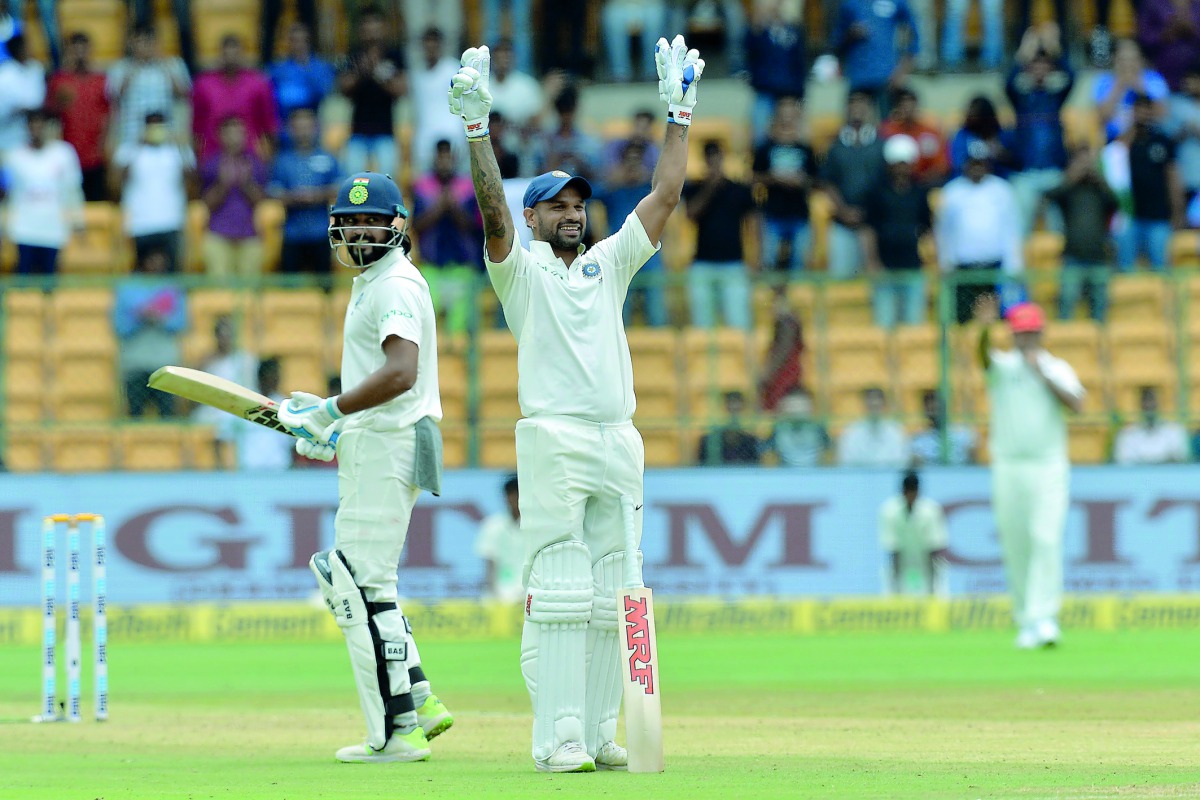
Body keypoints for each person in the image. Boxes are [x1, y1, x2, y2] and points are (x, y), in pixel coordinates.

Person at [450, 36, 703, 772]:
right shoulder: (520, 274)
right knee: (561, 590)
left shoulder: (607, 266)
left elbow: (664, 196)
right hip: (554, 438)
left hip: (618, 437)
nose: (570, 212)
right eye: (554, 205)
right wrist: (477, 131)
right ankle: (556, 736)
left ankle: (597, 732)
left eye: (577, 203)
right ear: (534, 220)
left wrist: (679, 114)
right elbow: (493, 214)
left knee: (612, 593)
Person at [277, 171, 453, 763]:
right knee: (374, 582)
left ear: (397, 226)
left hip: (390, 439)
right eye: (348, 221)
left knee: (352, 579)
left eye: (369, 220)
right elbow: (376, 379)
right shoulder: (374, 279)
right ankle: (420, 700)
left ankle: (394, 732)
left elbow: (401, 372)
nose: (356, 230)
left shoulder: (393, 284)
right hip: (378, 435)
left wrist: (331, 411)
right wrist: (334, 420)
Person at [975, 295, 1083, 649]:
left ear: (1042, 333)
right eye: (1020, 334)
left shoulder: (1056, 366)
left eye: (1032, 333)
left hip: (1048, 464)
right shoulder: (1003, 367)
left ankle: (1045, 617)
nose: (1026, 340)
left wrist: (1043, 374)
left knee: (1046, 538)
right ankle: (1025, 619)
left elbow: (1077, 404)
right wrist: (983, 328)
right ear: (1012, 335)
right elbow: (981, 358)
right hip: (1008, 464)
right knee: (1016, 543)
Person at [936, 139, 1023, 324]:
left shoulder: (1001, 190)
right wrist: (946, 262)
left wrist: (1014, 264)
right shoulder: (952, 192)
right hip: (963, 269)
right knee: (961, 321)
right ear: (965, 164)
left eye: (981, 163)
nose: (977, 168)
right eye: (973, 163)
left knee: (997, 321)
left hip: (994, 268)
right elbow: (944, 232)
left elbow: (1012, 229)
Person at [683, 139, 759, 330]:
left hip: (734, 262)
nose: (714, 162)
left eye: (717, 157)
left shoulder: (739, 189)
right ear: (705, 160)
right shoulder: (694, 187)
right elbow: (691, 214)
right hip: (702, 262)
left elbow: (753, 224)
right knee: (702, 324)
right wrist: (711, 187)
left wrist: (756, 257)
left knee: (738, 322)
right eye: (710, 158)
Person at [1, 109, 84, 275]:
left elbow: (73, 191)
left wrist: (78, 222)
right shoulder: (14, 157)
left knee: (49, 282)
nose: (37, 130)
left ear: (48, 127)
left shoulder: (64, 154)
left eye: (41, 125)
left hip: (53, 229)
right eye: (33, 125)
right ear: (27, 128)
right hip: (23, 229)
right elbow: (5, 196)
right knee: (23, 282)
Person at [411, 139, 483, 331]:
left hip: (462, 265)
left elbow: (475, 227)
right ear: (434, 158)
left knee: (458, 327)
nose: (444, 161)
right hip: (431, 264)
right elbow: (416, 226)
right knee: (426, 321)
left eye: (448, 157)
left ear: (455, 158)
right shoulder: (422, 187)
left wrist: (453, 207)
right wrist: (439, 207)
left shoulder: (467, 187)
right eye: (440, 157)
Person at [112, 110, 197, 272]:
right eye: (151, 126)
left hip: (171, 222)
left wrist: (181, 147)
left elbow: (193, 186)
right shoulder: (129, 150)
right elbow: (114, 186)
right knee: (142, 278)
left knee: (172, 276)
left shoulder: (179, 151)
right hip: (139, 224)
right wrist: (136, 148)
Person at [863, 133, 931, 329]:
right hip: (885, 268)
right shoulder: (878, 193)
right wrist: (873, 262)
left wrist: (930, 257)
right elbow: (869, 229)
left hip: (913, 266)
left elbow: (927, 228)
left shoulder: (919, 192)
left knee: (914, 324)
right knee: (884, 325)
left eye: (905, 163)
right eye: (897, 163)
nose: (901, 168)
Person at [1045, 144, 1119, 321]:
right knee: (1067, 301)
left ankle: (1100, 344)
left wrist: (1099, 179)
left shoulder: (1099, 189)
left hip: (1099, 255)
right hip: (1073, 256)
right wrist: (1072, 177)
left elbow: (1115, 203)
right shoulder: (1069, 190)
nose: (1086, 166)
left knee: (1100, 305)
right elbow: (1050, 196)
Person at [114, 249, 187, 417]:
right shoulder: (127, 288)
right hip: (135, 364)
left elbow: (181, 323)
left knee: (167, 416)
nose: (156, 265)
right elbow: (119, 327)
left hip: (165, 364)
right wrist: (140, 317)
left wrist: (160, 319)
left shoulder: (172, 288)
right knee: (135, 416)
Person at [1117, 93, 1185, 271]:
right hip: (1128, 216)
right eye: (1138, 109)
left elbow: (1173, 177)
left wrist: (1177, 210)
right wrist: (1131, 130)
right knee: (1126, 267)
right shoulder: (1124, 141)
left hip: (1158, 215)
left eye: (1147, 109)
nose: (1142, 113)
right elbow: (1112, 159)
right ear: (1131, 112)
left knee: (1160, 266)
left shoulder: (1163, 141)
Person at [337, 8, 407, 177]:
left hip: (386, 132)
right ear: (361, 30)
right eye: (367, 26)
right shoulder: (354, 55)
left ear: (384, 28)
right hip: (357, 132)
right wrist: (362, 71)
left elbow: (401, 90)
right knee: (352, 178)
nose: (371, 31)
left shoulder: (394, 55)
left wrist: (377, 71)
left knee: (388, 178)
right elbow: (343, 88)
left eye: (375, 26)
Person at [269, 107, 340, 274]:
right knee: (290, 289)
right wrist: (294, 197)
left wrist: (316, 195)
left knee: (325, 288)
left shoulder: (328, 158)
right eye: (298, 127)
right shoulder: (282, 160)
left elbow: (339, 187)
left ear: (316, 128)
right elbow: (273, 191)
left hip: (321, 233)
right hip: (292, 234)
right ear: (290, 130)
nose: (303, 132)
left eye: (307, 127)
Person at [192, 33, 280, 162]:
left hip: (250, 157)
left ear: (242, 54)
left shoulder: (259, 83)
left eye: (235, 52)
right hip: (212, 157)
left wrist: (270, 158)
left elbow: (269, 125)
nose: (231, 57)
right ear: (220, 54)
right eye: (227, 53)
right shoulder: (203, 84)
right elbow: (196, 129)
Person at [200, 116, 268, 278]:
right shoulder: (211, 164)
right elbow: (206, 204)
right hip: (217, 234)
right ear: (220, 136)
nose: (235, 138)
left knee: (250, 292)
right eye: (230, 133)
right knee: (219, 291)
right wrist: (223, 184)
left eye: (239, 133)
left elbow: (261, 201)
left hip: (249, 234)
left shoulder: (255, 163)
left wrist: (246, 183)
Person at [47, 32, 110, 201]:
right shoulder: (59, 81)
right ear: (69, 51)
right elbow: (50, 117)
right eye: (76, 49)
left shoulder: (102, 80)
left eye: (84, 48)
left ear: (90, 50)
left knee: (96, 204)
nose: (80, 53)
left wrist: (104, 144)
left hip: (96, 155)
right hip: (68, 155)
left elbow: (109, 116)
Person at [105, 25, 191, 149]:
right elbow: (115, 96)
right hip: (131, 134)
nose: (146, 46)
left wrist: (164, 63)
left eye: (149, 41)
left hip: (167, 132)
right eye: (141, 41)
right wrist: (135, 66)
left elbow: (183, 94)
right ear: (132, 43)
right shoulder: (120, 67)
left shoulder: (174, 64)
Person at [879, 471, 949, 596]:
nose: (911, 497)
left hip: (926, 565)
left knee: (938, 597)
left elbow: (934, 549)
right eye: (908, 493)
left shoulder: (931, 511)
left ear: (918, 492)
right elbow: (893, 550)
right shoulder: (890, 511)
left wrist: (931, 588)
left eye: (914, 493)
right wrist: (896, 586)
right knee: (894, 595)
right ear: (903, 492)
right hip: (903, 565)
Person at [474, 474, 524, 602]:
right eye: (510, 494)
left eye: (517, 494)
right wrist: (496, 595)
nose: (514, 499)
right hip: (499, 594)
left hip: (529, 594)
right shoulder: (492, 526)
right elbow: (489, 566)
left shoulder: (536, 527)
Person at [837, 386, 910, 468]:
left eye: (877, 403)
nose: (874, 404)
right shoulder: (850, 432)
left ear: (884, 405)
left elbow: (902, 462)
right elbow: (846, 464)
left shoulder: (897, 431)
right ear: (864, 404)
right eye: (870, 402)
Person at [1113, 386, 1188, 465]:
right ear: (1140, 405)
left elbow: (1180, 460)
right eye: (1145, 401)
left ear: (1160, 403)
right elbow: (1123, 463)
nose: (1149, 406)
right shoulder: (1127, 434)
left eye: (1152, 401)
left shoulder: (1175, 430)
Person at [758, 284, 805, 411]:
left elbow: (784, 348)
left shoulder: (787, 321)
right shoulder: (790, 318)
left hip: (785, 371)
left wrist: (768, 373)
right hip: (787, 369)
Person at [909, 389, 977, 466]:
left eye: (936, 408)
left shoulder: (964, 433)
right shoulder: (920, 439)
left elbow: (973, 462)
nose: (934, 413)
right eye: (930, 409)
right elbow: (917, 464)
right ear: (925, 411)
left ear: (945, 408)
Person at [767, 388, 830, 467]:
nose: (797, 423)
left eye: (802, 421)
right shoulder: (776, 432)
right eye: (791, 418)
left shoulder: (820, 431)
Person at [697, 390, 762, 465]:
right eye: (730, 404)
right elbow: (701, 469)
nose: (733, 409)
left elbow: (754, 469)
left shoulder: (751, 442)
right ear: (724, 407)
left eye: (737, 405)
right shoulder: (708, 441)